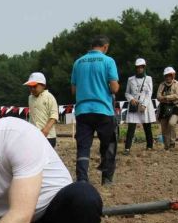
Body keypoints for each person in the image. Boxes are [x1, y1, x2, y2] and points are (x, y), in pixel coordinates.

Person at [70, 35, 120, 186]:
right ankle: (107, 179)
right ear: (105, 47)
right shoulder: (108, 61)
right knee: (108, 144)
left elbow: (73, 90)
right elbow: (114, 87)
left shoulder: (78, 62)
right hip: (103, 109)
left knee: (83, 147)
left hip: (83, 110)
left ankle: (82, 179)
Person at [123, 58, 156, 154]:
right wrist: (131, 99)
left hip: (144, 104)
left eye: (141, 67)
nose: (139, 69)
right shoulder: (130, 79)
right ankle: (127, 148)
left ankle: (149, 145)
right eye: (138, 67)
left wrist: (144, 105)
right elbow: (127, 93)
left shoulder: (149, 79)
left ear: (144, 68)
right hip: (134, 105)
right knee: (131, 127)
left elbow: (149, 93)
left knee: (147, 126)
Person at [24, 72, 59, 148]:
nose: (32, 89)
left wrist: (46, 129)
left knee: (47, 158)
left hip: (48, 136)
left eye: (34, 86)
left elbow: (54, 115)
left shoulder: (49, 97)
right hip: (34, 135)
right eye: (30, 87)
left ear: (43, 85)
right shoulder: (30, 98)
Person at [156, 67, 178, 150]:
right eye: (166, 75)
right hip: (164, 108)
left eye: (170, 75)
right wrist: (166, 98)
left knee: (171, 123)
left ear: (173, 75)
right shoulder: (161, 85)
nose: (168, 77)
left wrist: (166, 97)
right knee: (164, 127)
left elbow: (177, 95)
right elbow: (158, 97)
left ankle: (172, 143)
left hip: (175, 106)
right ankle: (166, 146)